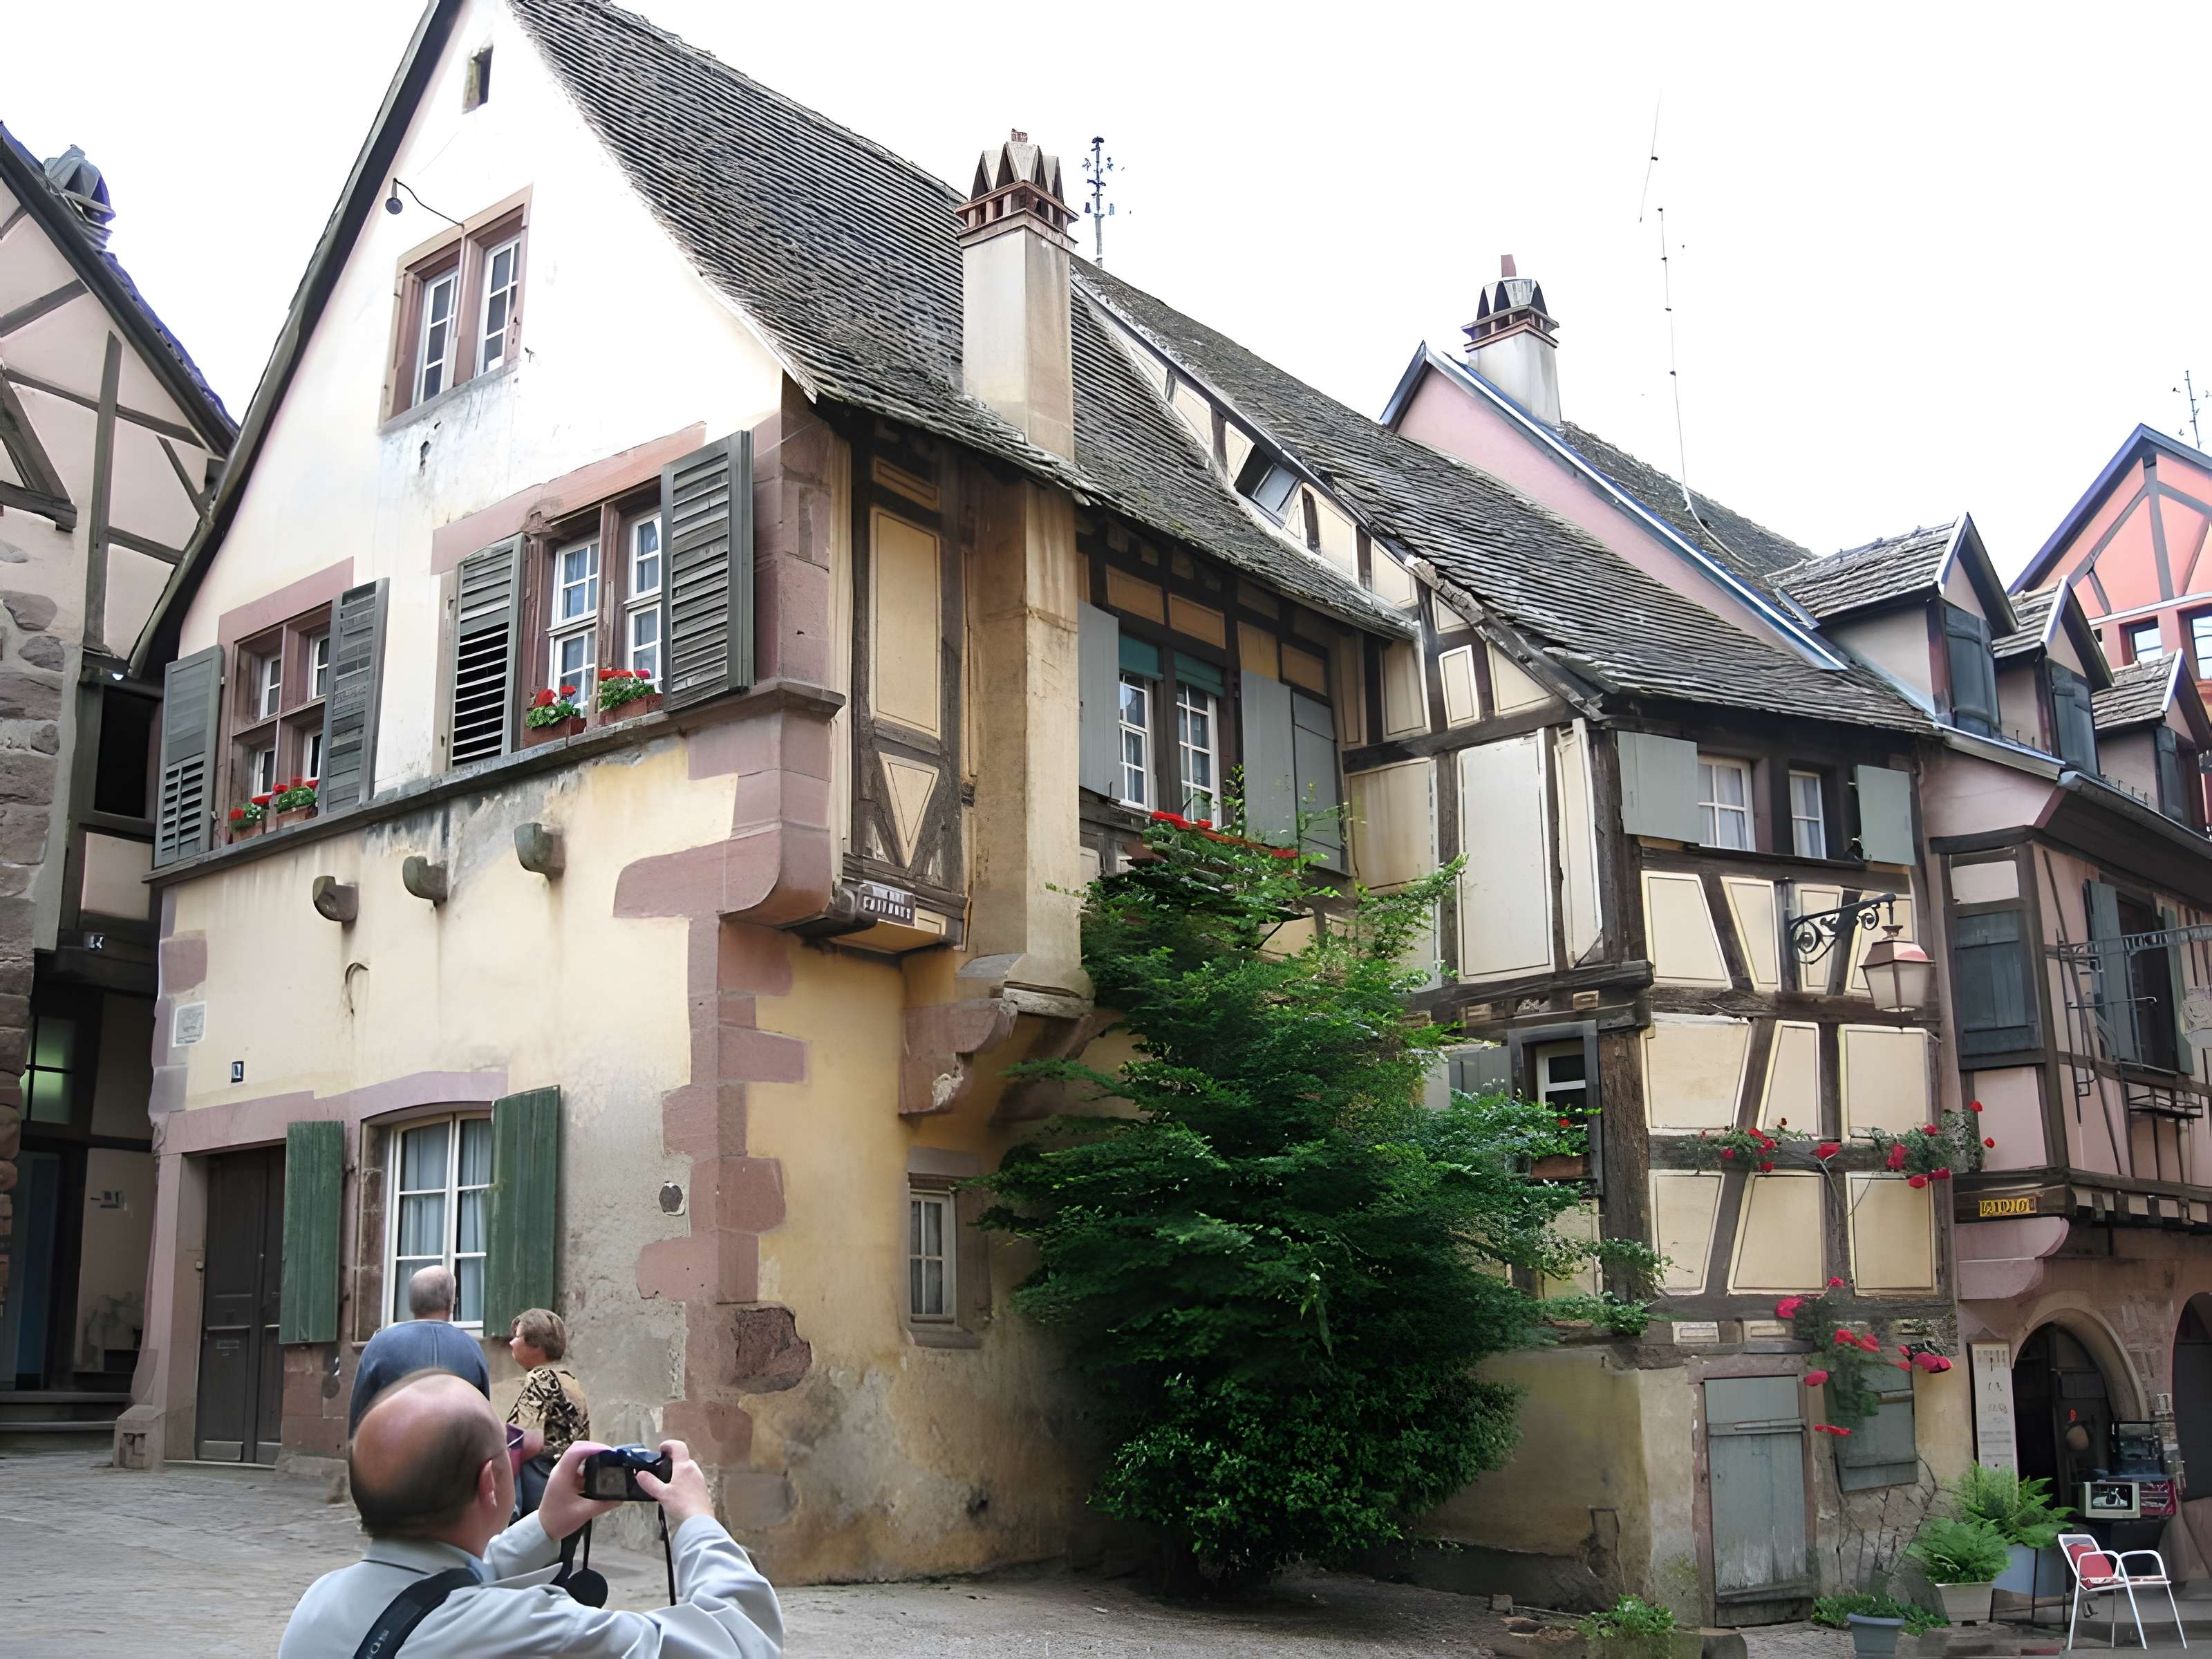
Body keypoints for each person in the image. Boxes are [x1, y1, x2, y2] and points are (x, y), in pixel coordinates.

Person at [281, 1369, 782, 1657]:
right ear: (490, 1484)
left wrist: (545, 1525)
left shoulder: (318, 1604)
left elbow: (431, 1591)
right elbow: (742, 1643)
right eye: (508, 1448)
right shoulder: (537, 1629)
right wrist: (699, 1523)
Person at [348, 1265, 491, 1433]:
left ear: (411, 1303)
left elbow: (360, 1414)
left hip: (396, 1449)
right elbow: (484, 1414)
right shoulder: (471, 1348)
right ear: (452, 1302)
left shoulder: (379, 1346)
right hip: (457, 1452)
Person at [505, 1307, 589, 1517]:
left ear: (536, 1346)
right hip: (572, 1488)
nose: (511, 1343)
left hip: (541, 1490)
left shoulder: (541, 1378)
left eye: (517, 1337)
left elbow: (518, 1440)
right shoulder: (569, 1380)